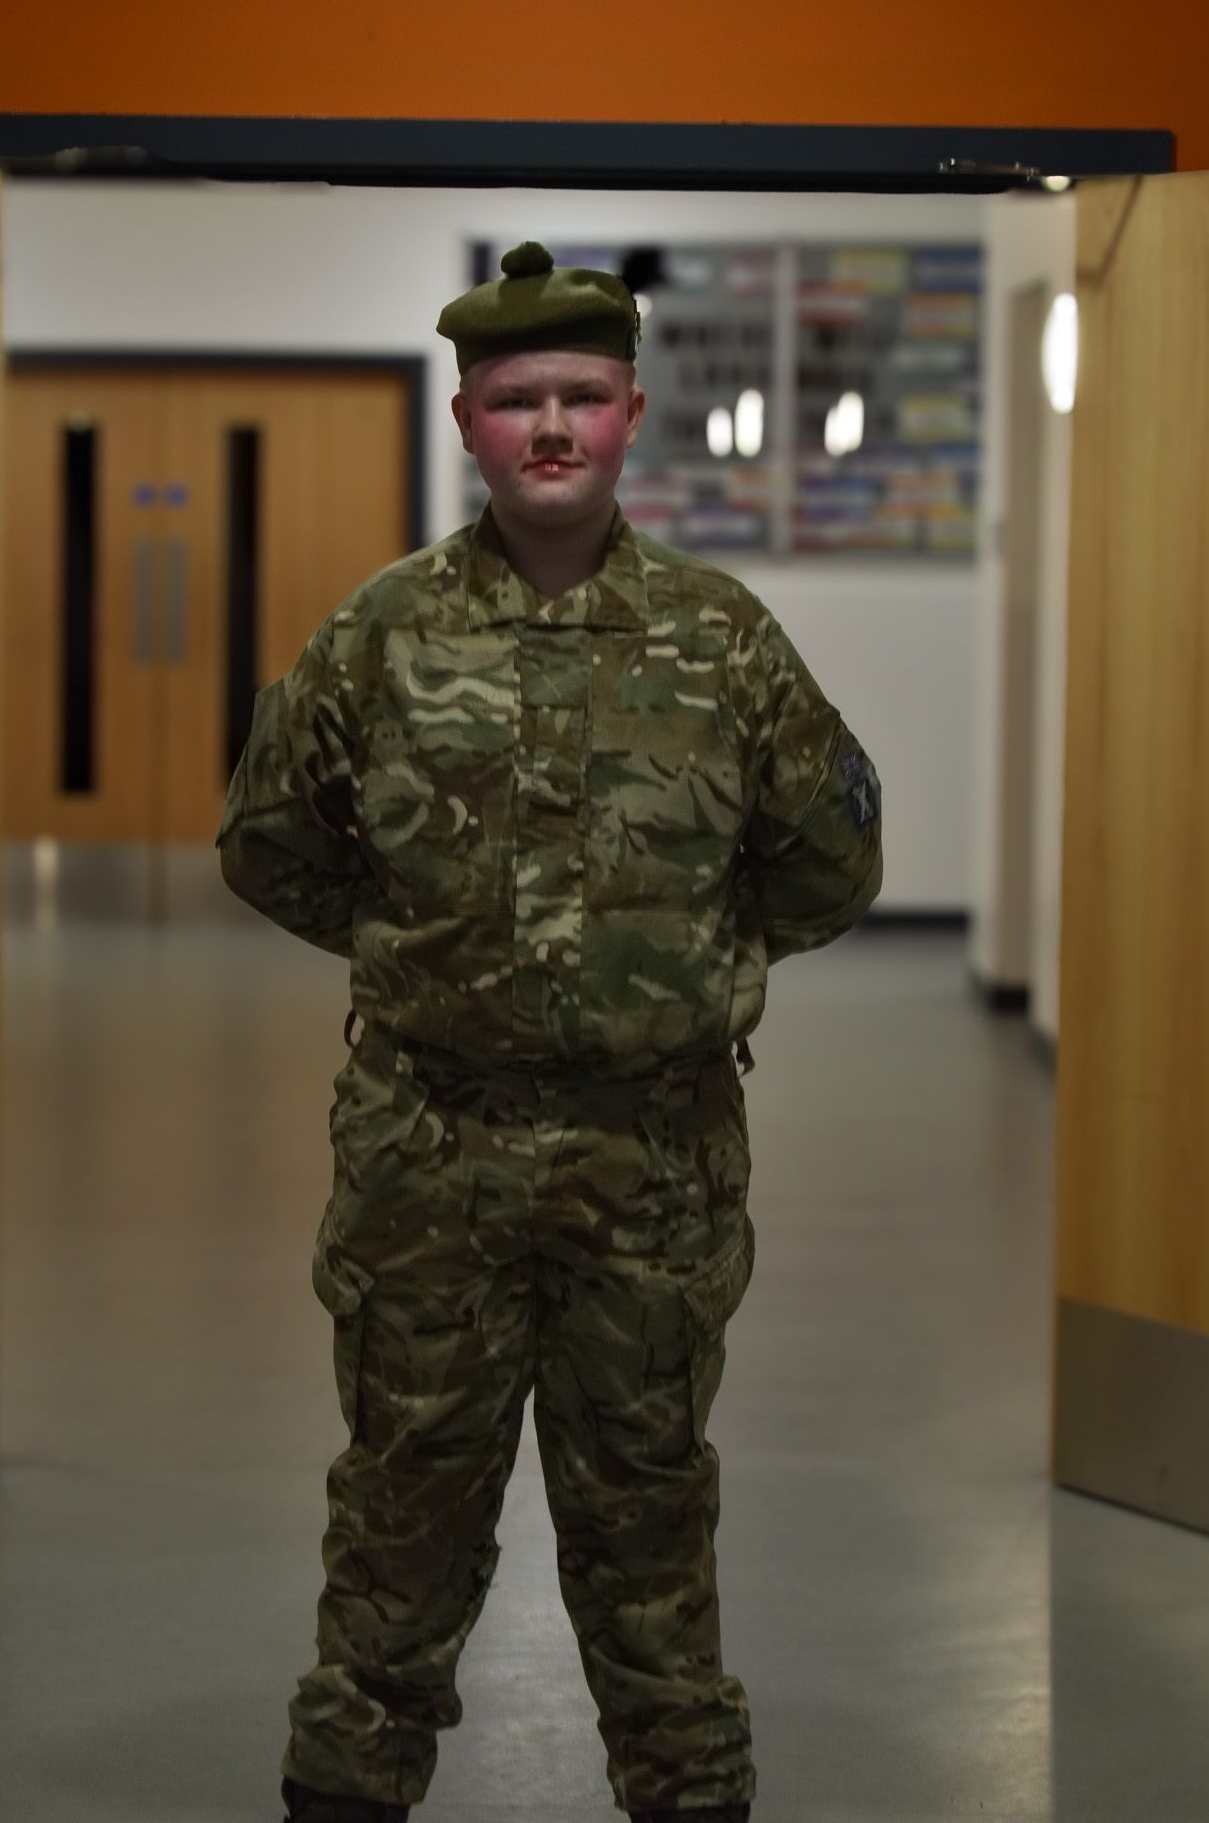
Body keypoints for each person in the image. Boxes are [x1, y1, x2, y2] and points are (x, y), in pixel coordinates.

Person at [216, 241, 883, 1823]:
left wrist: (676, 972)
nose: (553, 427)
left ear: (633, 411)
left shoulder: (721, 642)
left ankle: (686, 1792)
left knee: (649, 1519)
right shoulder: (377, 638)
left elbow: (829, 859)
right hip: (425, 1157)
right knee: (400, 1512)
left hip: (651, 1165)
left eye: (582, 394)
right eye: (519, 400)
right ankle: (347, 1791)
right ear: (467, 423)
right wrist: (419, 954)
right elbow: (268, 842)